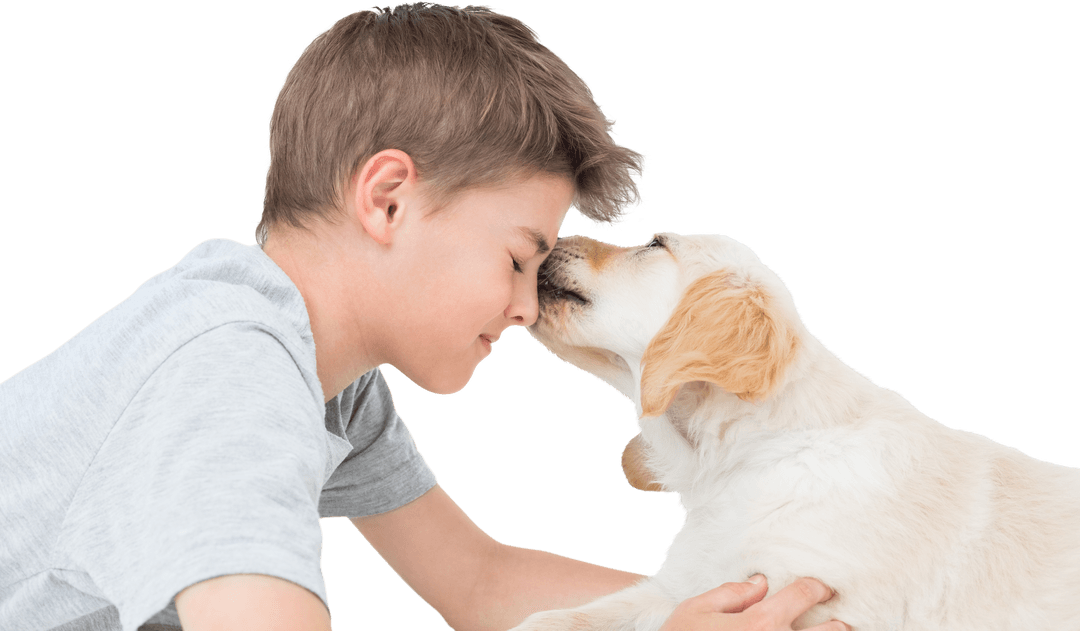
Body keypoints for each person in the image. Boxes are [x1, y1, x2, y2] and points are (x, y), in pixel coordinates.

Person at [0, 4, 849, 630]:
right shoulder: (229, 373)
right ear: (388, 200)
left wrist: (725, 606)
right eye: (516, 259)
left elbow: (479, 581)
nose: (527, 307)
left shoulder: (331, 388)